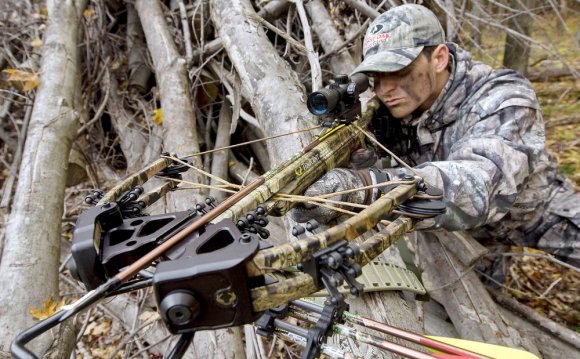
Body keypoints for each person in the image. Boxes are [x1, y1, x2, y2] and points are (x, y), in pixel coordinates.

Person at [291, 4, 579, 266]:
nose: (384, 89)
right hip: (463, 233)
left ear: (439, 58)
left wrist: (366, 185)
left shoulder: (503, 97)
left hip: (535, 213)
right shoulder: (388, 106)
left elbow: (480, 188)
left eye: (399, 71)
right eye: (376, 77)